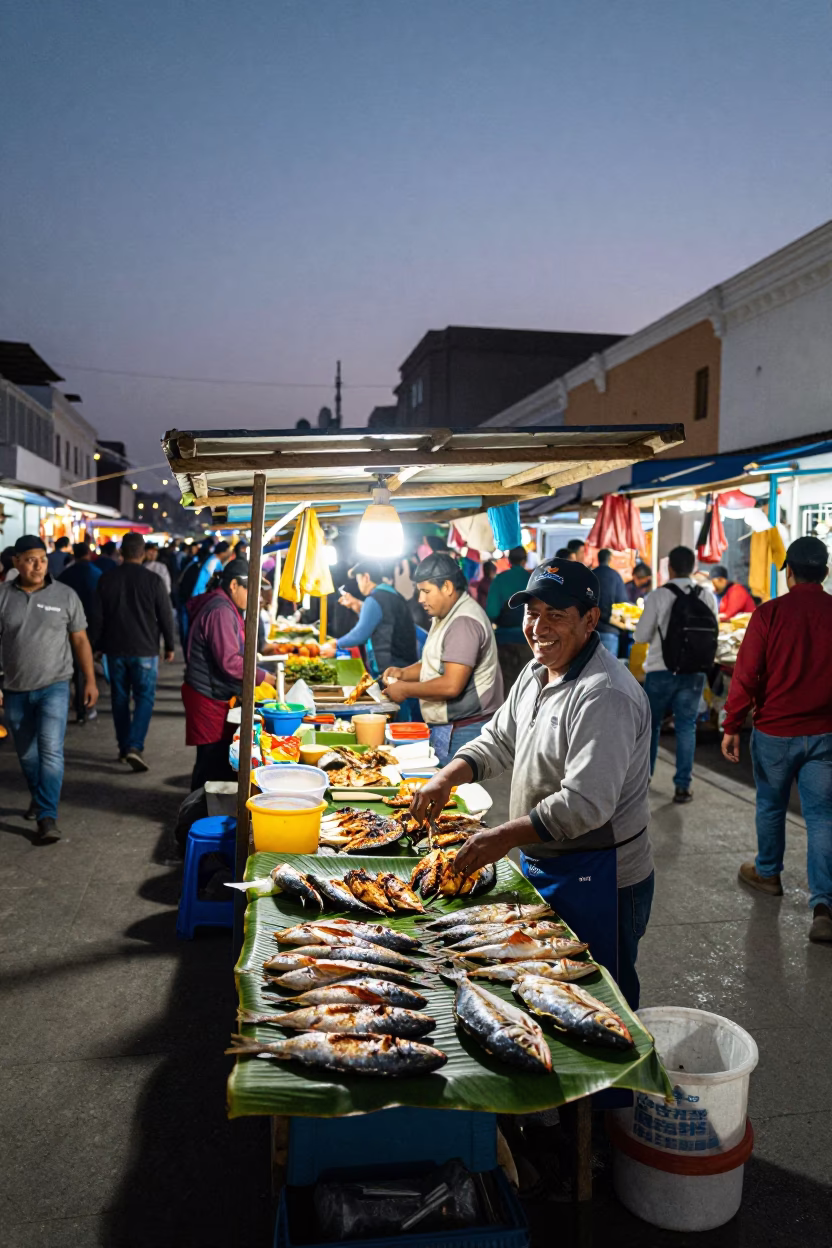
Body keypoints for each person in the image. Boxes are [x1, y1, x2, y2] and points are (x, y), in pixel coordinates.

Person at [410, 557, 654, 1009]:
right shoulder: (534, 672)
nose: (540, 627)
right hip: (546, 857)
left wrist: (502, 836)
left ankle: (620, 1084)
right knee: (549, 992)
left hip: (602, 872)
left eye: (556, 615)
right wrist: (447, 777)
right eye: (531, 613)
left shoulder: (604, 694)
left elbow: (584, 805)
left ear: (590, 619)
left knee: (601, 999)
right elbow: (500, 740)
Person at [721, 536, 832, 944]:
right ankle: (824, 906)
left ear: (788, 571)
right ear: (825, 571)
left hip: (775, 733)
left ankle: (768, 873)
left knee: (771, 805)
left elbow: (746, 674)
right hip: (825, 733)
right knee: (823, 817)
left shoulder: (769, 613)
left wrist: (731, 724)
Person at [0, 535, 99, 840]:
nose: (38, 565)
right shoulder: (3, 597)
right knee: (28, 755)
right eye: (30, 559)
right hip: (15, 688)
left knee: (51, 750)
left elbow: (80, 640)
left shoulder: (65, 595)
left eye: (42, 559)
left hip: (55, 686)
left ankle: (47, 817)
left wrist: (90, 680)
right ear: (16, 562)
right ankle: (39, 795)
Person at [382, 552, 503, 765]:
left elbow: (451, 685)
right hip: (452, 726)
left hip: (466, 729)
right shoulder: (447, 615)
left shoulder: (463, 623)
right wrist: (403, 673)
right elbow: (436, 664)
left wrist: (405, 689)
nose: (420, 599)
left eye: (426, 591)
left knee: (455, 794)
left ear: (446, 587)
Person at [634, 545, 718, 804]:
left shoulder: (658, 596)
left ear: (669, 567)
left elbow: (641, 636)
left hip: (660, 671)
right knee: (686, 727)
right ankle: (683, 786)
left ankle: (643, 780)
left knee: (651, 727)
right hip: (694, 672)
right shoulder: (707, 596)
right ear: (693, 568)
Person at [182, 559, 273, 790]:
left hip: (212, 691)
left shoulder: (225, 605)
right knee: (209, 765)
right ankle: (196, 818)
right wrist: (263, 677)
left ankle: (203, 812)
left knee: (212, 762)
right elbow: (229, 662)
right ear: (234, 585)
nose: (255, 596)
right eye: (250, 589)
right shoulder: (221, 610)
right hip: (207, 696)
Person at [89, 532, 175, 772]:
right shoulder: (153, 580)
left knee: (119, 698)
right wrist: (169, 645)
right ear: (143, 552)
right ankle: (135, 746)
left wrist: (95, 645)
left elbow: (97, 617)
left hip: (114, 649)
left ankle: (123, 746)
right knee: (145, 697)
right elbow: (166, 615)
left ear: (121, 553)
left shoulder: (106, 579)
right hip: (145, 649)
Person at [321, 559, 418, 681]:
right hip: (406, 666)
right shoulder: (393, 595)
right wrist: (356, 605)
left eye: (358, 580)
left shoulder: (374, 599)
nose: (358, 585)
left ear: (366, 577)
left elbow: (360, 634)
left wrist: (336, 643)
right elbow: (382, 620)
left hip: (390, 670)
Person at [58, 542, 103, 723]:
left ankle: (79, 705)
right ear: (89, 553)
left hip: (67, 626)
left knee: (75, 667)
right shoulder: (96, 573)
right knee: (84, 666)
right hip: (90, 626)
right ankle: (84, 707)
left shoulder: (65, 575)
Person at [486, 546, 531, 692]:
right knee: (529, 687)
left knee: (507, 687)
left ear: (509, 561)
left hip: (504, 641)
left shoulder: (500, 580)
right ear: (525, 560)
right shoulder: (532, 579)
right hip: (530, 641)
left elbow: (491, 612)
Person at [594, 548, 627, 656]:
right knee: (609, 670)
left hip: (590, 630)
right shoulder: (615, 576)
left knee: (589, 669)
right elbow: (622, 603)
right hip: (610, 630)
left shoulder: (590, 574)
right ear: (609, 559)